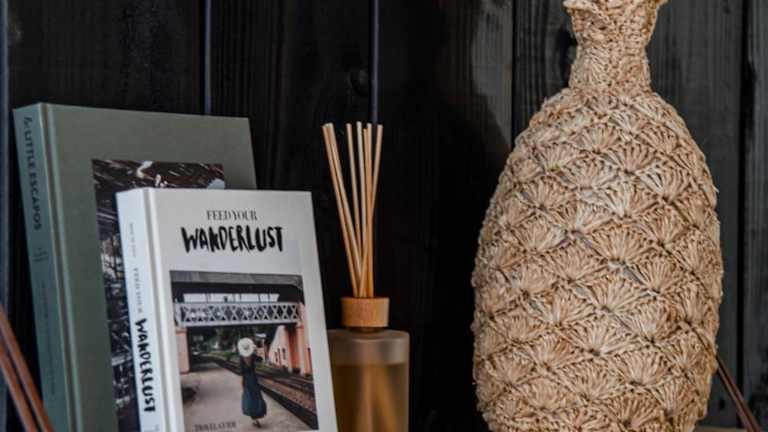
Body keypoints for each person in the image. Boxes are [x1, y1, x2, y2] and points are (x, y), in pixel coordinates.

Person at [238, 338, 267, 428]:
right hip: (253, 379)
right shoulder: (253, 356)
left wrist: (242, 384)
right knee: (257, 397)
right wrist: (256, 350)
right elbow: (261, 359)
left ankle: (255, 419)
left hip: (247, 380)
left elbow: (242, 373)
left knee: (249, 399)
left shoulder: (241, 358)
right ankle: (256, 417)